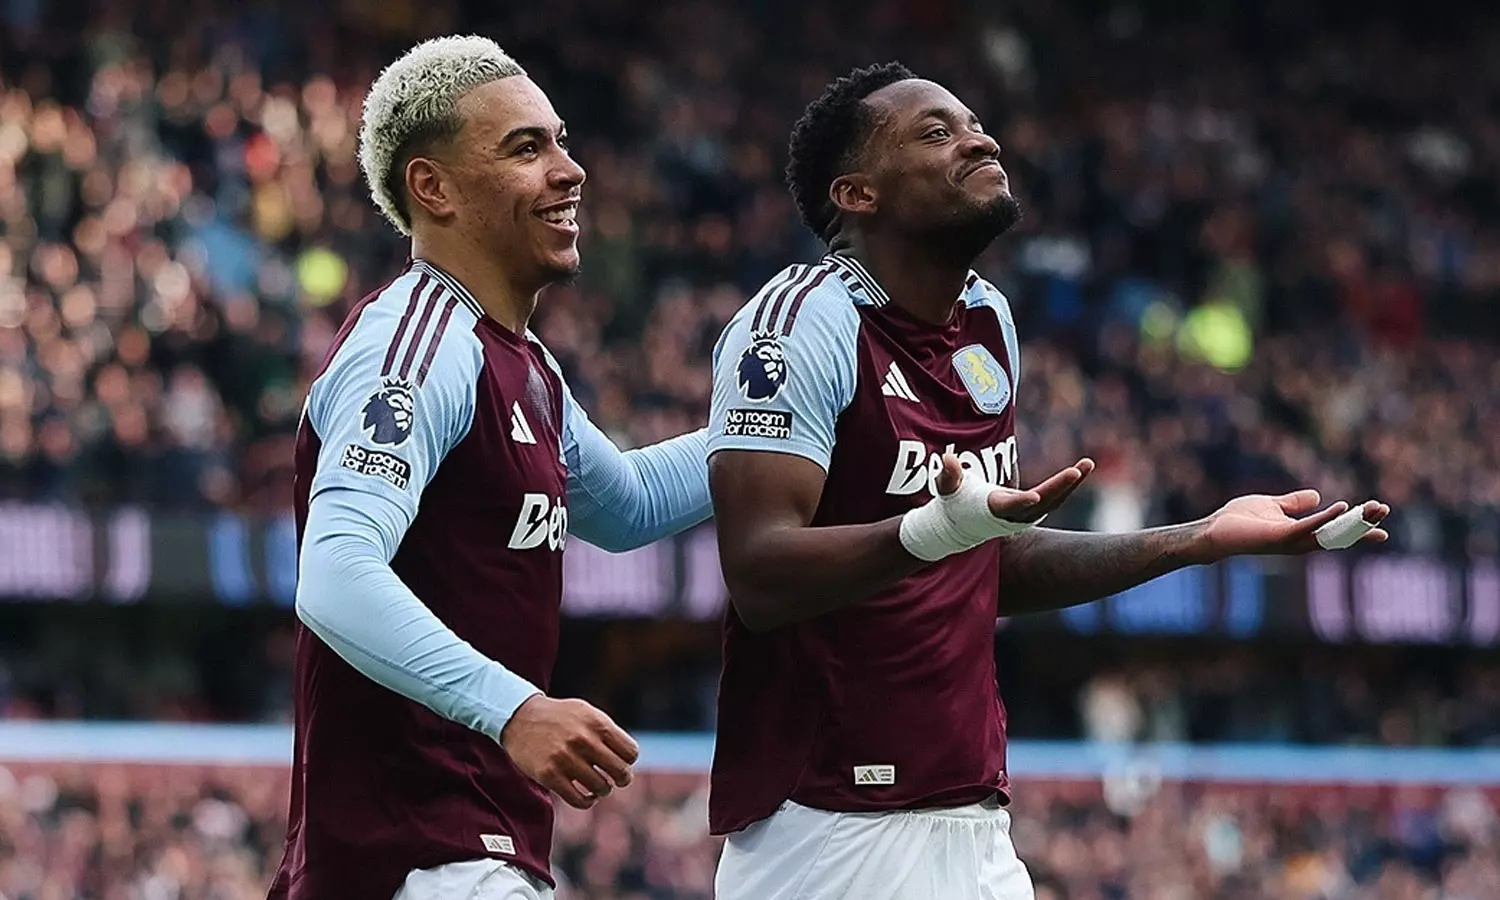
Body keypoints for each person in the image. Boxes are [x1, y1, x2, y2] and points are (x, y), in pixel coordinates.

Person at [704, 62, 1390, 900]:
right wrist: (932, 530)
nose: (979, 141)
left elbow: (990, 562)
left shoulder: (987, 320)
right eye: (936, 133)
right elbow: (759, 574)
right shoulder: (797, 323)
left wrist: (1199, 538)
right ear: (857, 193)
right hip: (829, 827)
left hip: (975, 821)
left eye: (974, 124)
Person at [267, 36, 712, 900]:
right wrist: (515, 708)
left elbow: (628, 504)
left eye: (560, 142)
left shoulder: (523, 363)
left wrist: (792, 423)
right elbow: (333, 570)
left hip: (469, 849)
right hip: (413, 856)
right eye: (525, 148)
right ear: (432, 187)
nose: (570, 171)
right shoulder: (416, 347)